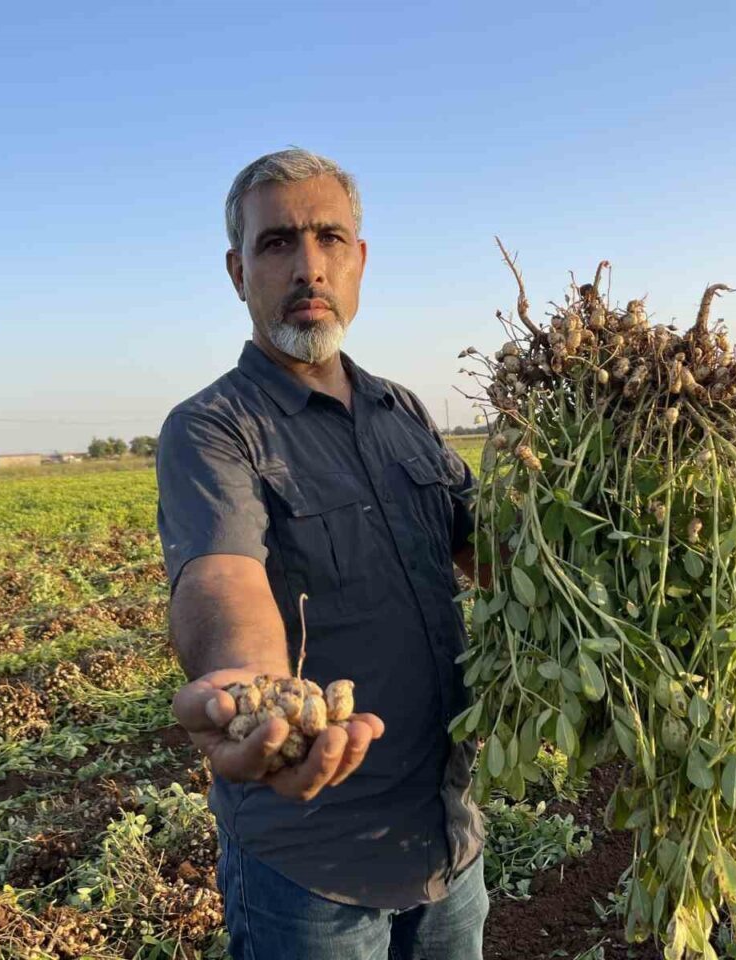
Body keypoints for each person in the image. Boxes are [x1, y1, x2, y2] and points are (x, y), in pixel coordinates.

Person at [156, 148, 487, 960]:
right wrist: (253, 690)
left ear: (360, 260)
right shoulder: (213, 428)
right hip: (312, 868)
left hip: (448, 839)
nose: (309, 265)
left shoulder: (401, 411)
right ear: (238, 270)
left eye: (330, 238)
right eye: (277, 244)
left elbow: (494, 554)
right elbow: (223, 575)